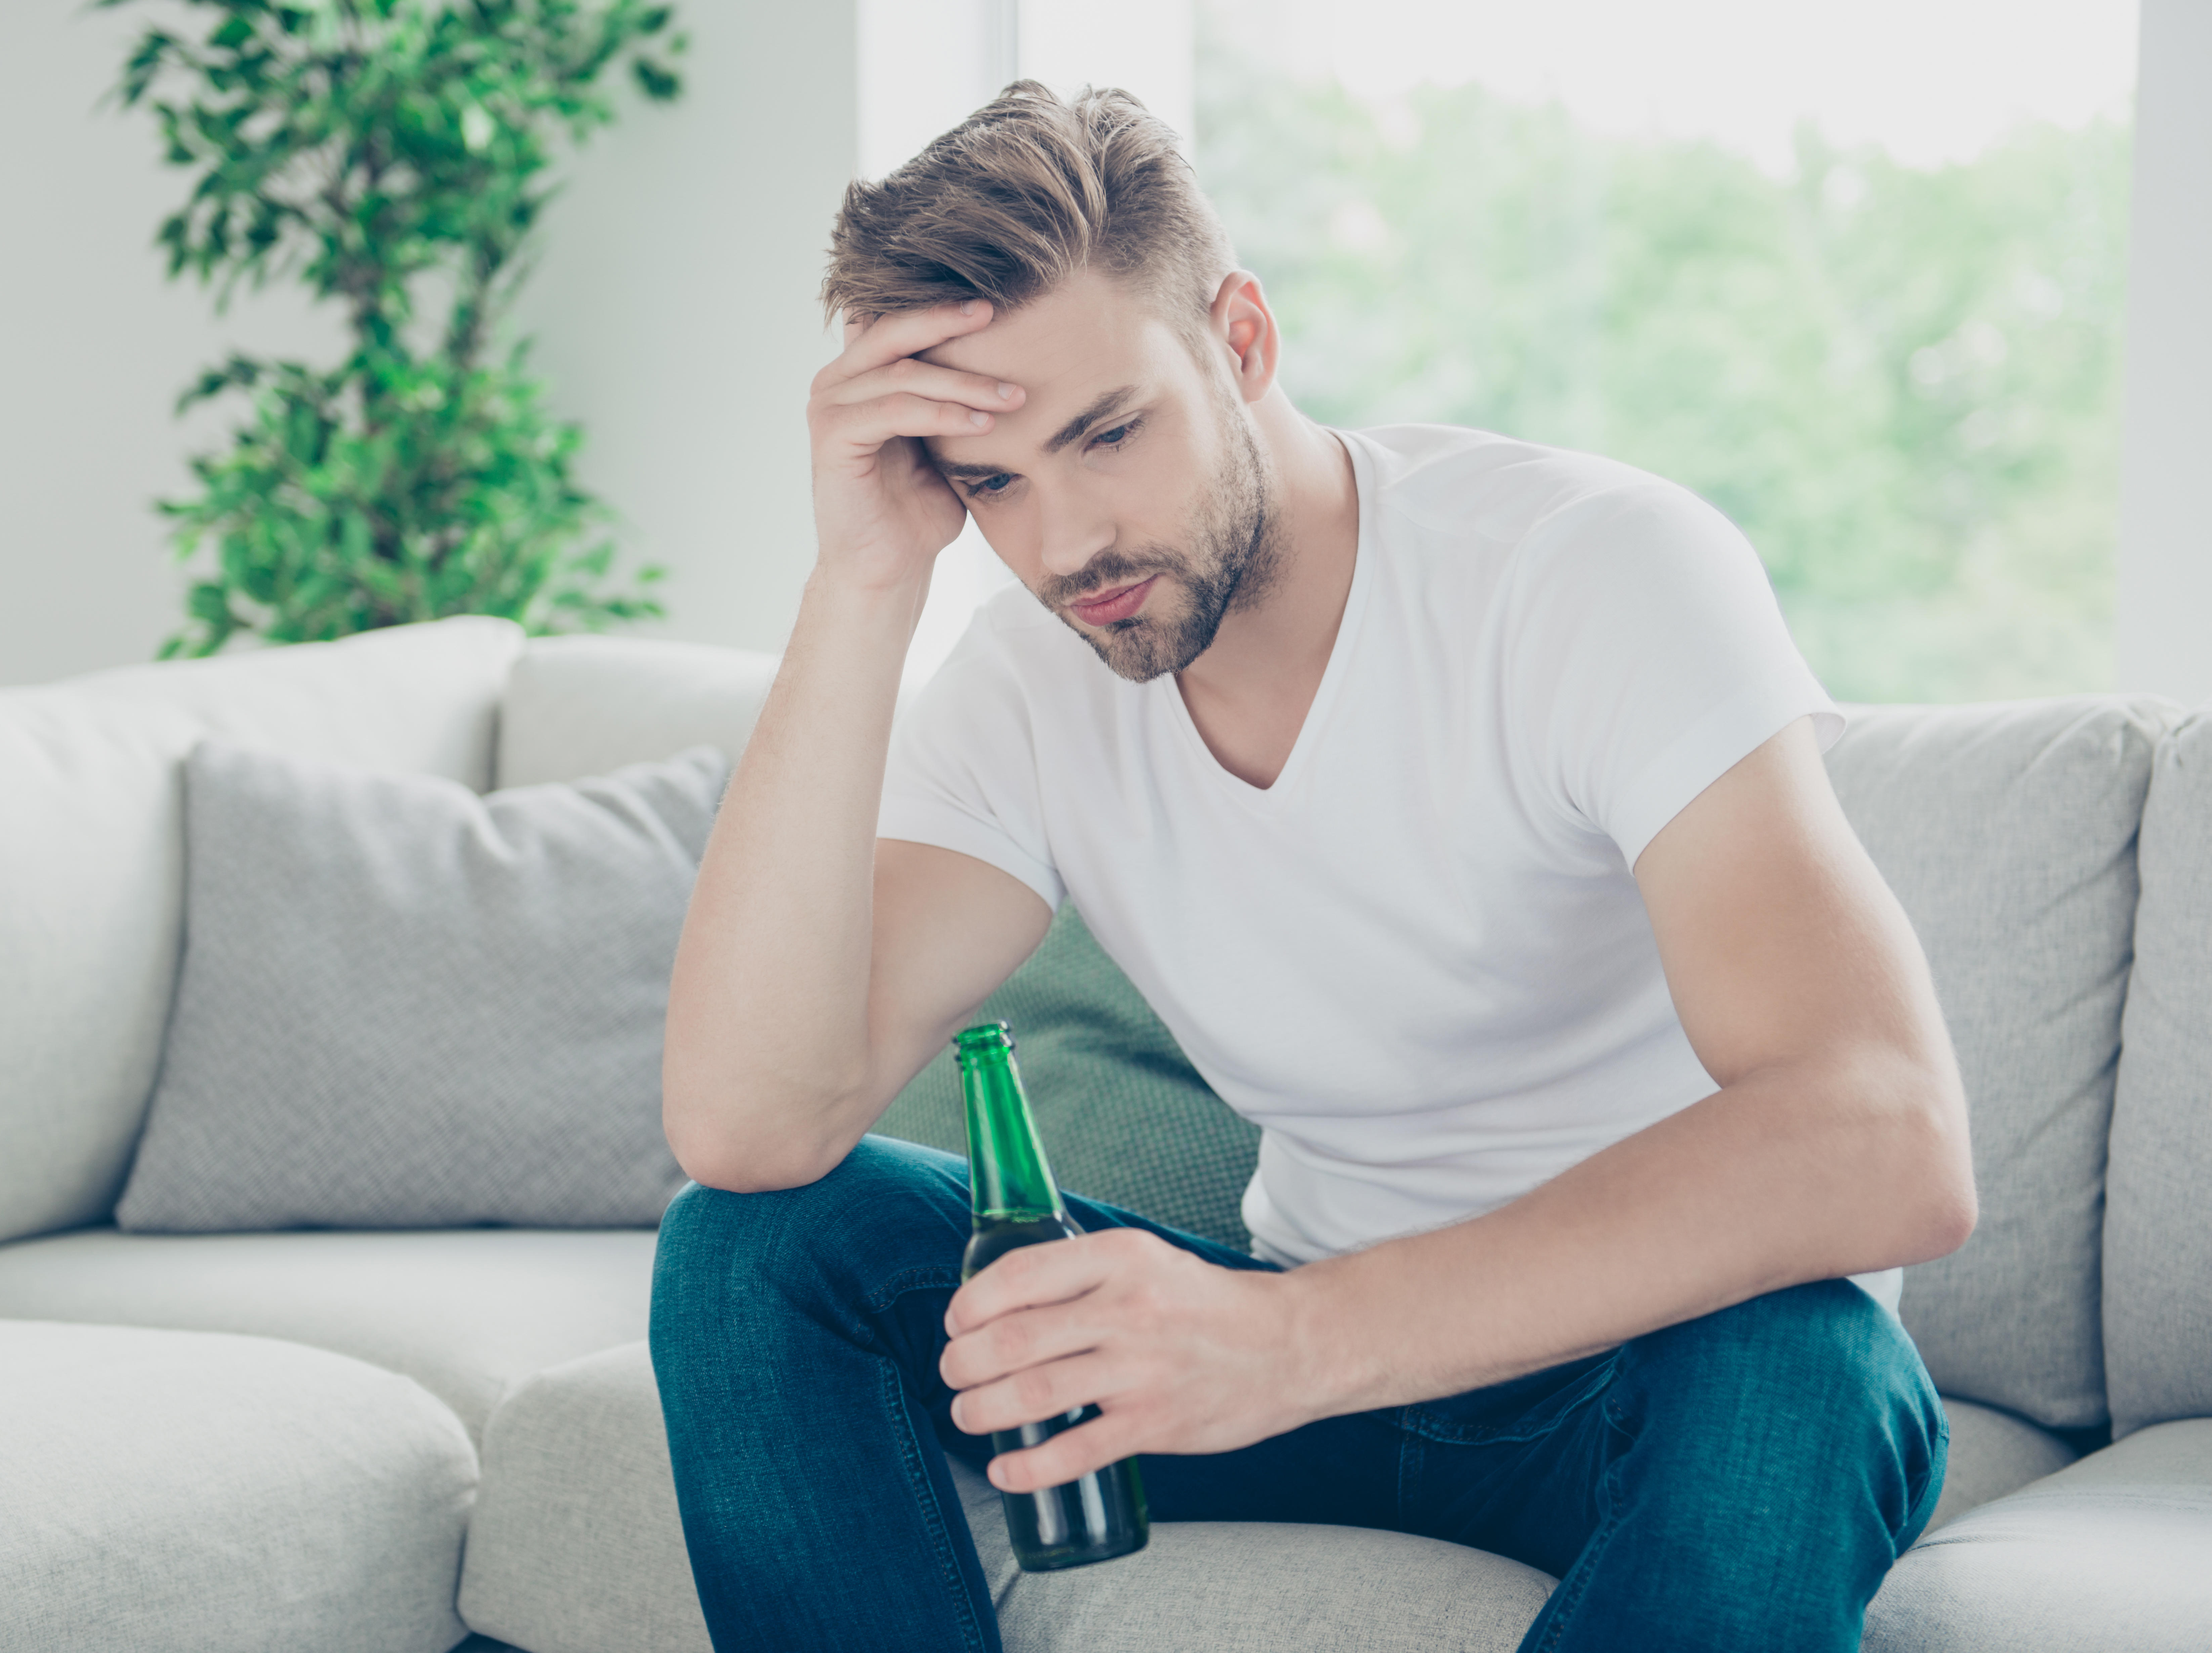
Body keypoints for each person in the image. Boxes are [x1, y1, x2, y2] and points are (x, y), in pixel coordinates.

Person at [650, 80, 1975, 1653]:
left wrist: (1291, 1339)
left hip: (1641, 1373)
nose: (1065, 540)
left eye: (1107, 432)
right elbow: (751, 1121)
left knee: (1804, 1370)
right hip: (1288, 1367)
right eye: (992, 482)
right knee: (754, 1248)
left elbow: (1886, 1134)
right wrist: (864, 579)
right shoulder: (1028, 678)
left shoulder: (1585, 573)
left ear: (1243, 339)